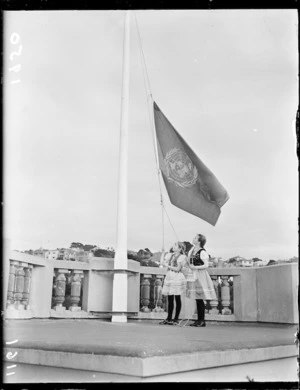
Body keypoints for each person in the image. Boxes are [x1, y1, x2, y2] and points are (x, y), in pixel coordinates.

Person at [186, 234, 217, 327]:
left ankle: (202, 320)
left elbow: (206, 265)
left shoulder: (202, 252)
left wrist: (195, 267)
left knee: (200, 298)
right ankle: (199, 320)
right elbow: (189, 261)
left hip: (200, 275)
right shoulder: (192, 250)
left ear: (199, 241)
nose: (193, 238)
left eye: (195, 238)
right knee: (197, 298)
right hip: (194, 274)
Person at [159, 241, 187, 325]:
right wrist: (163, 253)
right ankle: (169, 318)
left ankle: (176, 318)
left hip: (177, 277)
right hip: (170, 276)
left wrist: (168, 266)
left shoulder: (182, 257)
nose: (173, 246)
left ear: (179, 248)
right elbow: (161, 262)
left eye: (175, 245)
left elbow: (178, 268)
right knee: (170, 298)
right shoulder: (170, 255)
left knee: (177, 298)